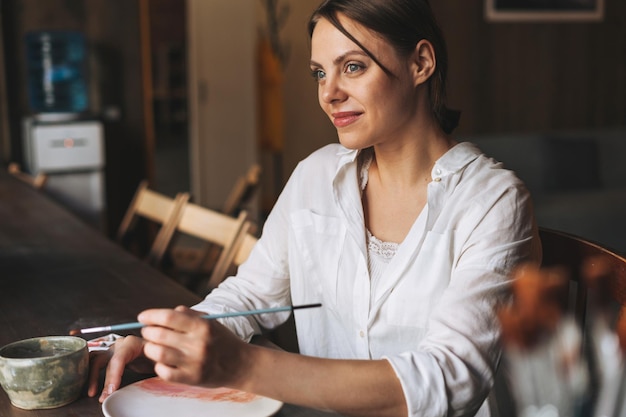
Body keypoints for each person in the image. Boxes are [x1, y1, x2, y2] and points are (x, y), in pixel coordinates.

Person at [88, 0, 541, 416]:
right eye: (320, 73)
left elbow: (451, 379)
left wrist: (245, 366)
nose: (329, 93)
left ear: (420, 62)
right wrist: (165, 343)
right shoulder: (315, 176)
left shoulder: (493, 202)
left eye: (353, 67)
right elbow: (248, 299)